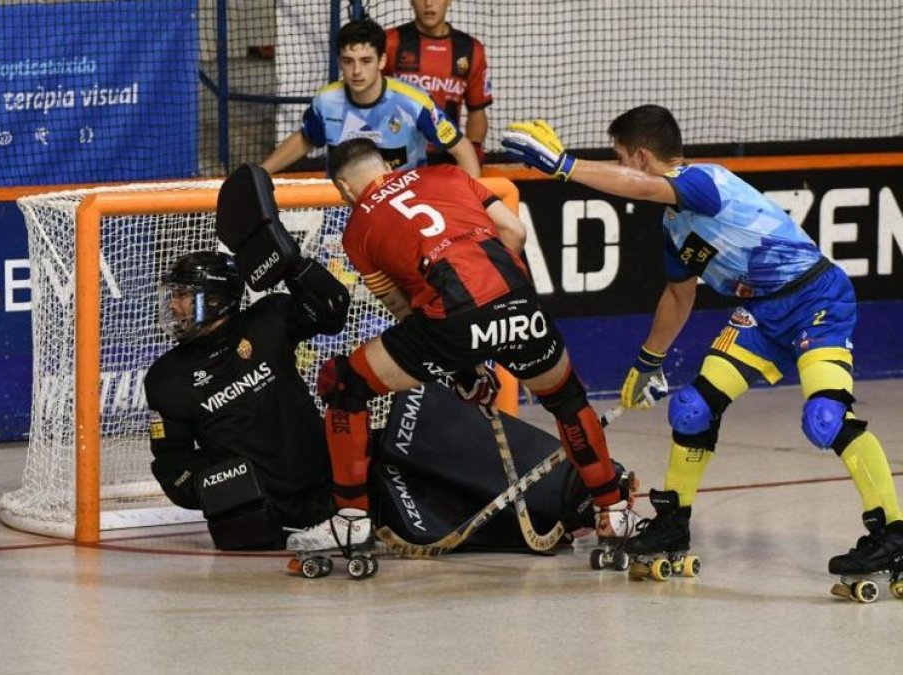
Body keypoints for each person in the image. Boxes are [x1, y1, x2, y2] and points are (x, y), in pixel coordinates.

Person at [500, 104, 903, 579]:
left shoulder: (703, 182)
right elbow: (678, 293)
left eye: (619, 159)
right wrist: (649, 360)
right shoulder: (674, 225)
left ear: (643, 158)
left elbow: (645, 185)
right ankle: (673, 522)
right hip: (761, 313)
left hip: (818, 297)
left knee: (826, 417)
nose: (618, 169)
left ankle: (892, 535)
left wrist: (565, 167)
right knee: (692, 409)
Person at [285, 137, 638, 554]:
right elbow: (514, 231)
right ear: (386, 165)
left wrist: (460, 365)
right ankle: (613, 512)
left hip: (451, 318)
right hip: (518, 299)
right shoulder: (448, 174)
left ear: (344, 187)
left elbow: (401, 306)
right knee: (567, 399)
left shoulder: (357, 228)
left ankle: (350, 520)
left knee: (343, 385)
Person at [144, 249, 351, 550]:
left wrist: (294, 263)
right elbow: (173, 466)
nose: (173, 305)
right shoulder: (166, 377)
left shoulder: (269, 320)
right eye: (172, 294)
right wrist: (231, 491)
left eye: (183, 295)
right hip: (267, 523)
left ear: (214, 298)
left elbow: (333, 310)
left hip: (334, 494)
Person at [261, 18, 480, 178]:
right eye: (348, 61)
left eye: (366, 61)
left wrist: (475, 208)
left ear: (382, 61)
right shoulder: (326, 102)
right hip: (342, 207)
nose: (356, 71)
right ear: (339, 62)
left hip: (403, 203)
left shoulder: (415, 102)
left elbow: (463, 150)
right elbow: (306, 139)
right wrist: (260, 172)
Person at [384, 0, 493, 166]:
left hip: (446, 157)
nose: (428, 4)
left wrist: (474, 148)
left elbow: (477, 110)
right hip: (396, 156)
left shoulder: (471, 49)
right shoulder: (390, 42)